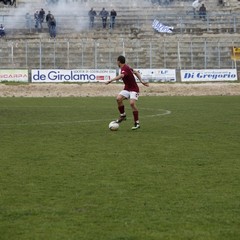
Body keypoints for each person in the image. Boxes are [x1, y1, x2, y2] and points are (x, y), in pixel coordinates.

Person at [105, 55, 149, 130]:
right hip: (127, 89)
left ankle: (137, 123)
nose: (117, 63)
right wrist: (141, 81)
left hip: (134, 89)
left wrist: (110, 80)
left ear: (119, 61)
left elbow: (122, 75)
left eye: (117, 61)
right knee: (118, 99)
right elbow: (136, 72)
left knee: (132, 103)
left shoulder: (124, 68)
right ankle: (123, 115)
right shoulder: (126, 67)